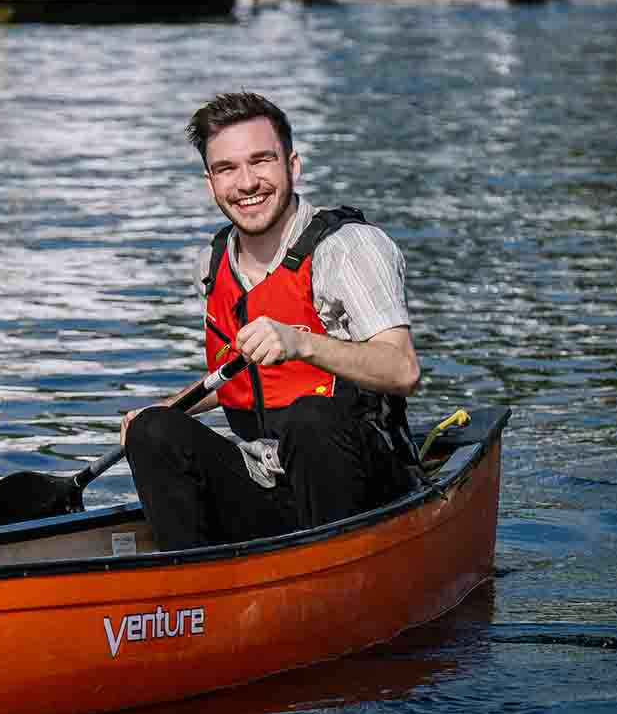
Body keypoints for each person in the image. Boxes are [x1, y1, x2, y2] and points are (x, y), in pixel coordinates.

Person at [122, 92, 421, 551]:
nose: (246, 183)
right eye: (227, 169)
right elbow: (238, 381)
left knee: (310, 417)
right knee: (153, 431)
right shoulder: (213, 261)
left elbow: (402, 370)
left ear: (293, 165)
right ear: (211, 183)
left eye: (261, 161)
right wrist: (164, 409)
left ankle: (332, 575)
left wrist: (303, 344)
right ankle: (190, 588)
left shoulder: (350, 248)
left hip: (364, 482)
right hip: (267, 476)